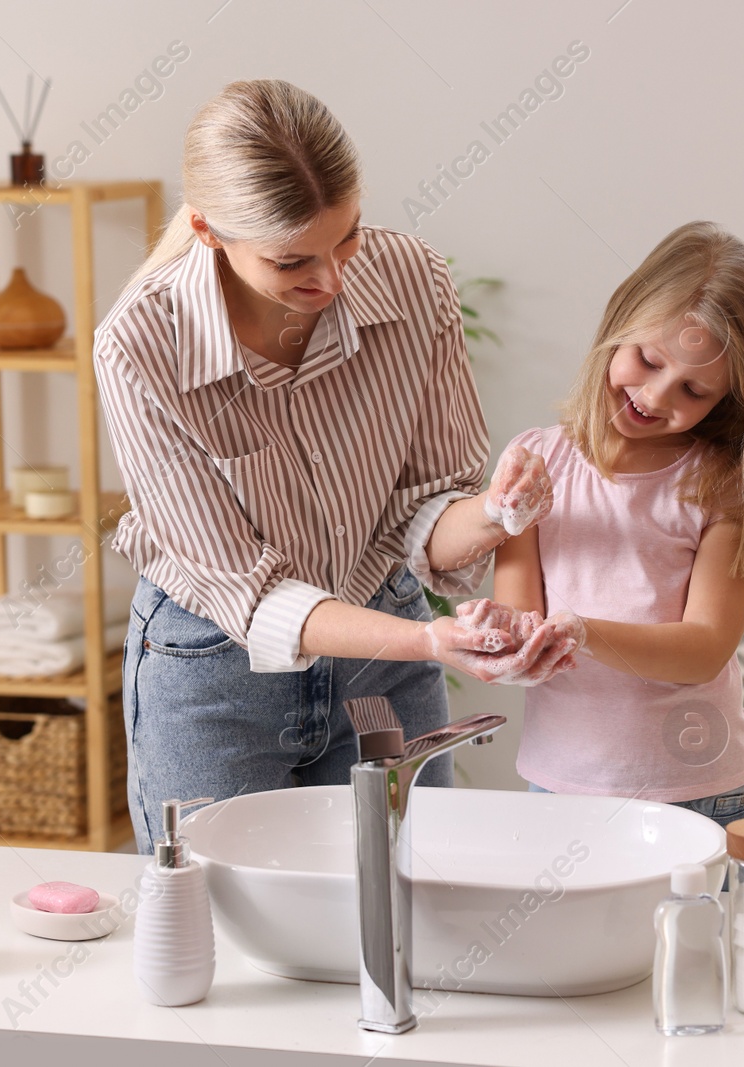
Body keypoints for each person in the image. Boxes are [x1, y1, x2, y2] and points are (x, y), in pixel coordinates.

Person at [94, 80, 573, 853]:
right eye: (293, 261)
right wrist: (429, 642)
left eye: (346, 237)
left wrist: (496, 510)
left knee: (404, 908)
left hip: (380, 665)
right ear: (209, 231)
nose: (336, 281)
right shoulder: (141, 346)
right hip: (214, 668)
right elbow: (243, 593)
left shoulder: (412, 282)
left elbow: (421, 515)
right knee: (219, 925)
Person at [474, 221, 744, 828]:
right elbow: (521, 622)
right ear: (619, 323)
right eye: (647, 359)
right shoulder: (537, 463)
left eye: (693, 390)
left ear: (726, 401)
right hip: (558, 783)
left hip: (690, 792)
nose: (652, 395)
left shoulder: (725, 487)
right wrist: (497, 634)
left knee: (689, 930)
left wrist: (580, 631)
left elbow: (703, 650)